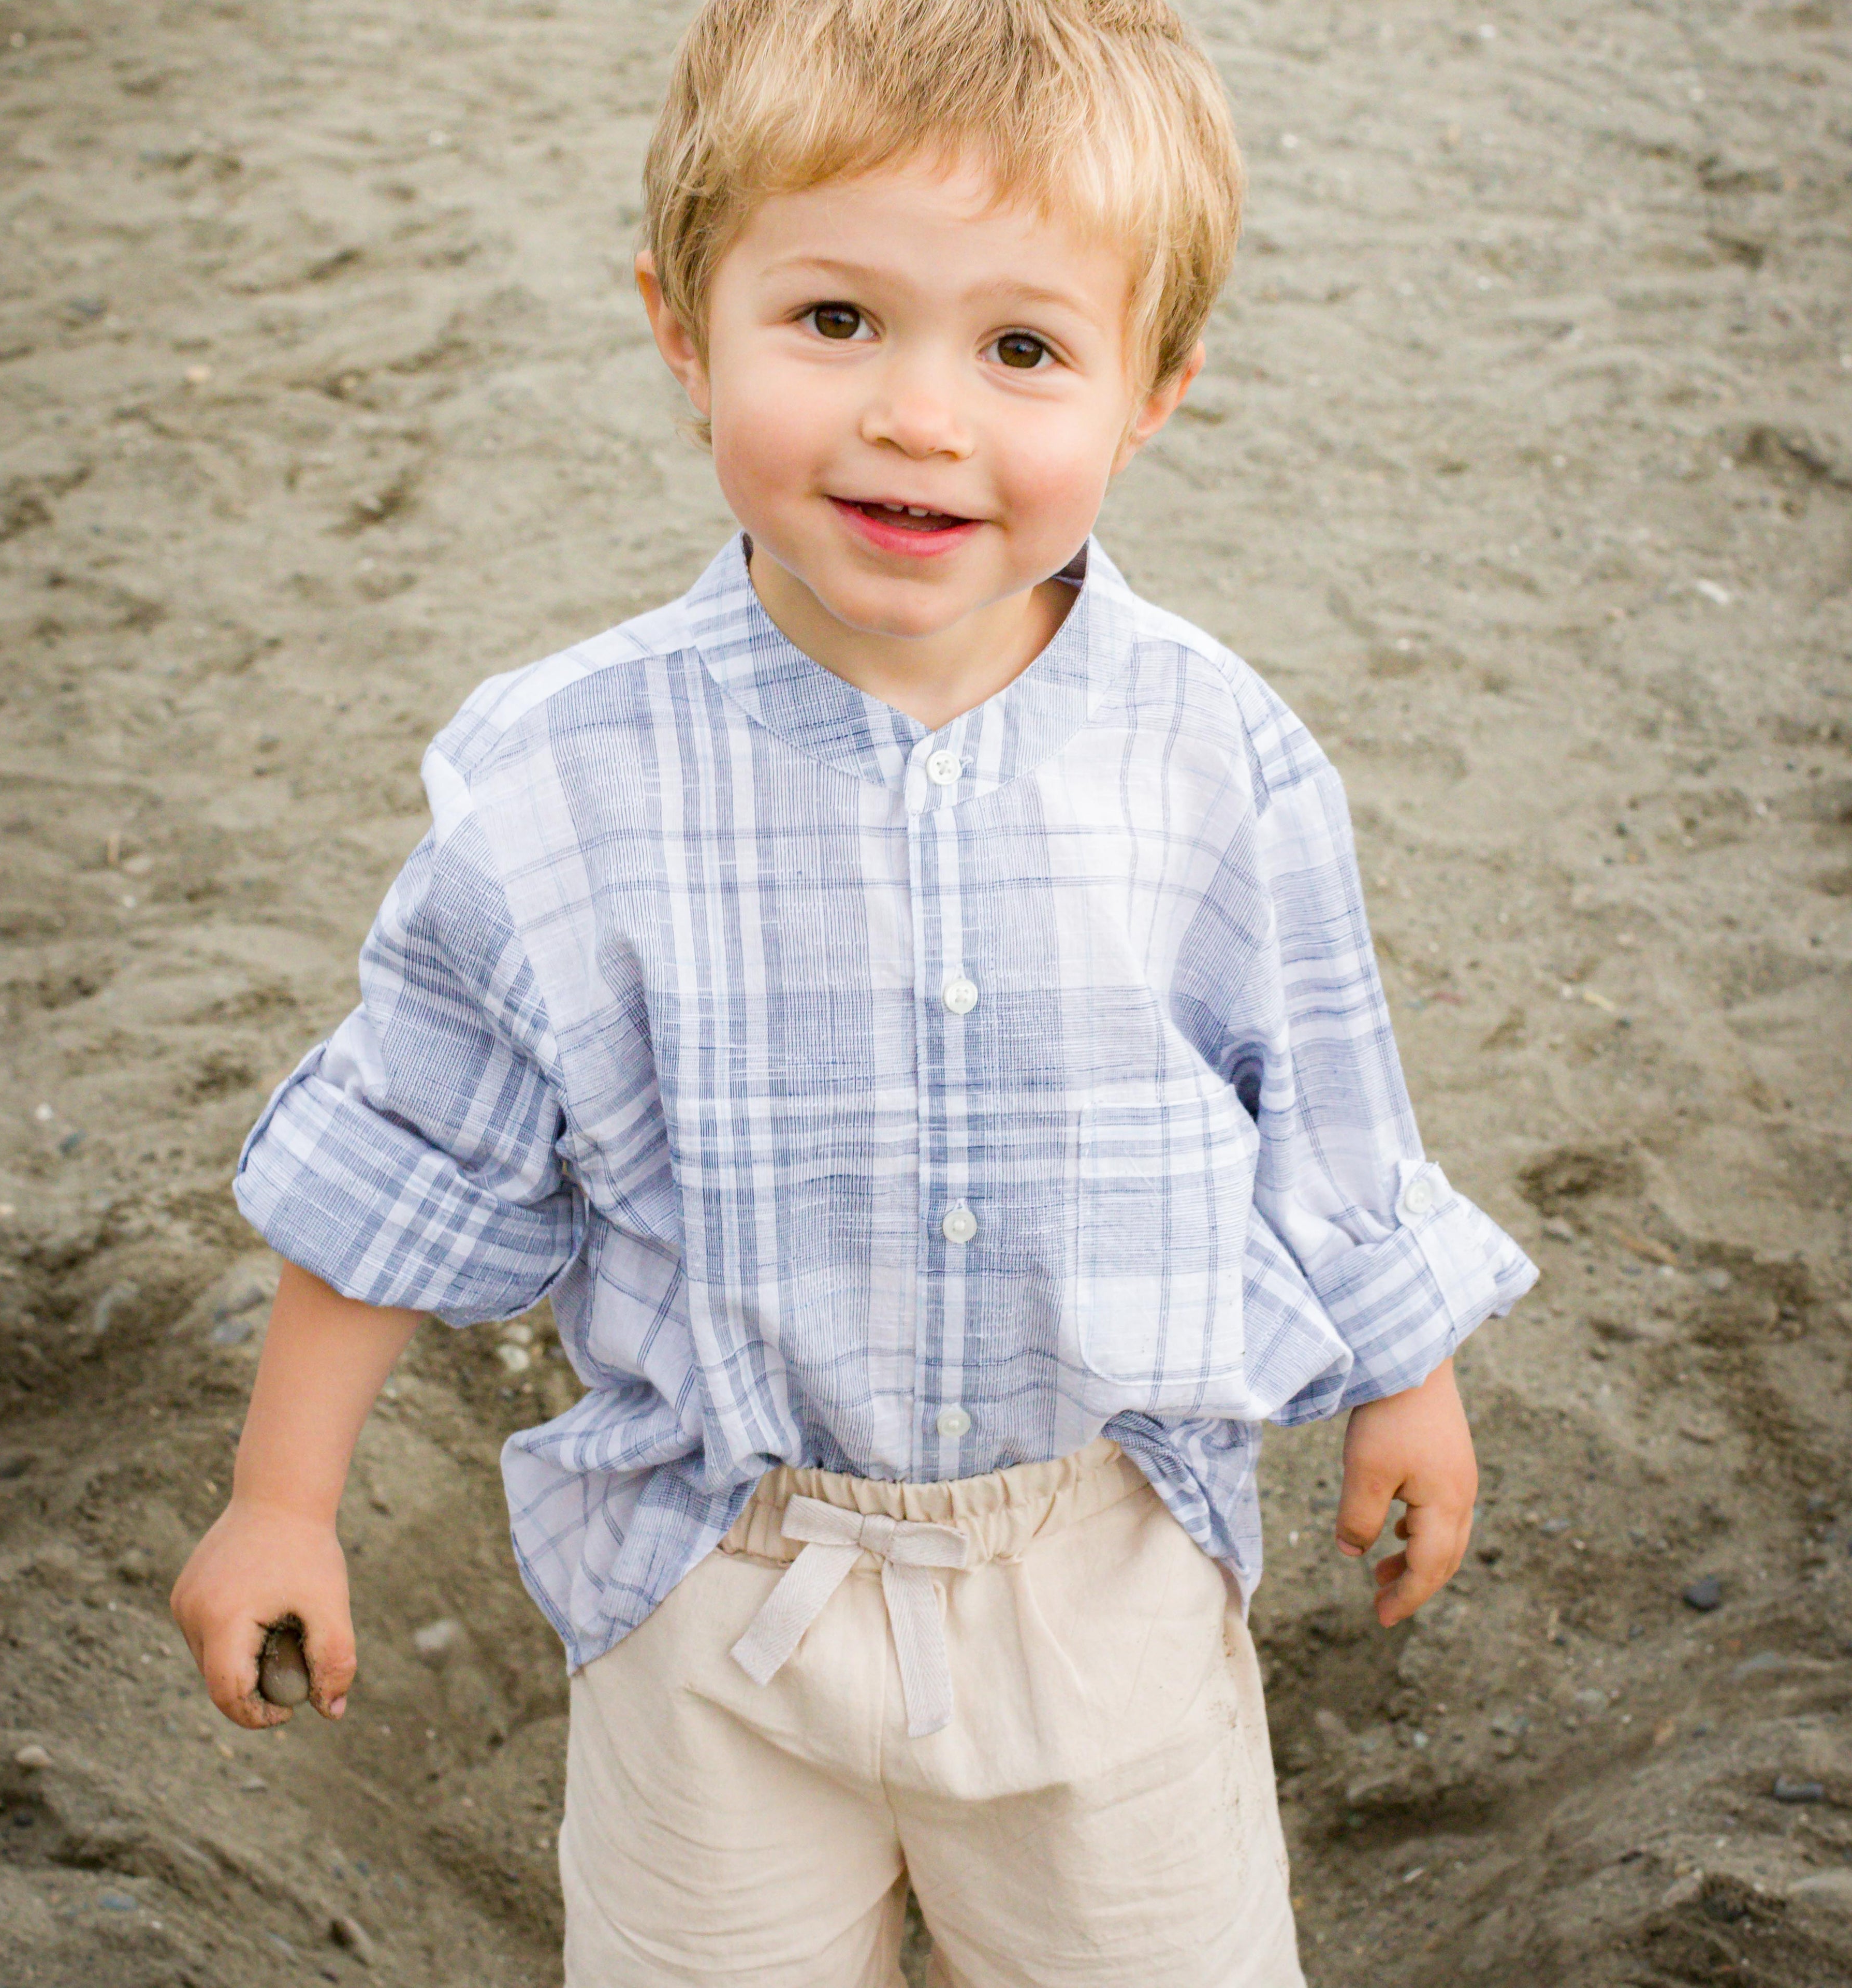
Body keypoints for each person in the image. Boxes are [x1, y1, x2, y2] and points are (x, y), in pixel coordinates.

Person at [170, 1, 1536, 1980]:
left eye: (1023, 349)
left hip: (1107, 1575)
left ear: (1153, 386)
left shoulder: (1212, 757)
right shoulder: (560, 778)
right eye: (833, 322)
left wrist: (1405, 1380)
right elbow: (416, 1148)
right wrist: (279, 1500)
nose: (920, 415)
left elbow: (1319, 1094)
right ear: (680, 318)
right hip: (714, 1581)